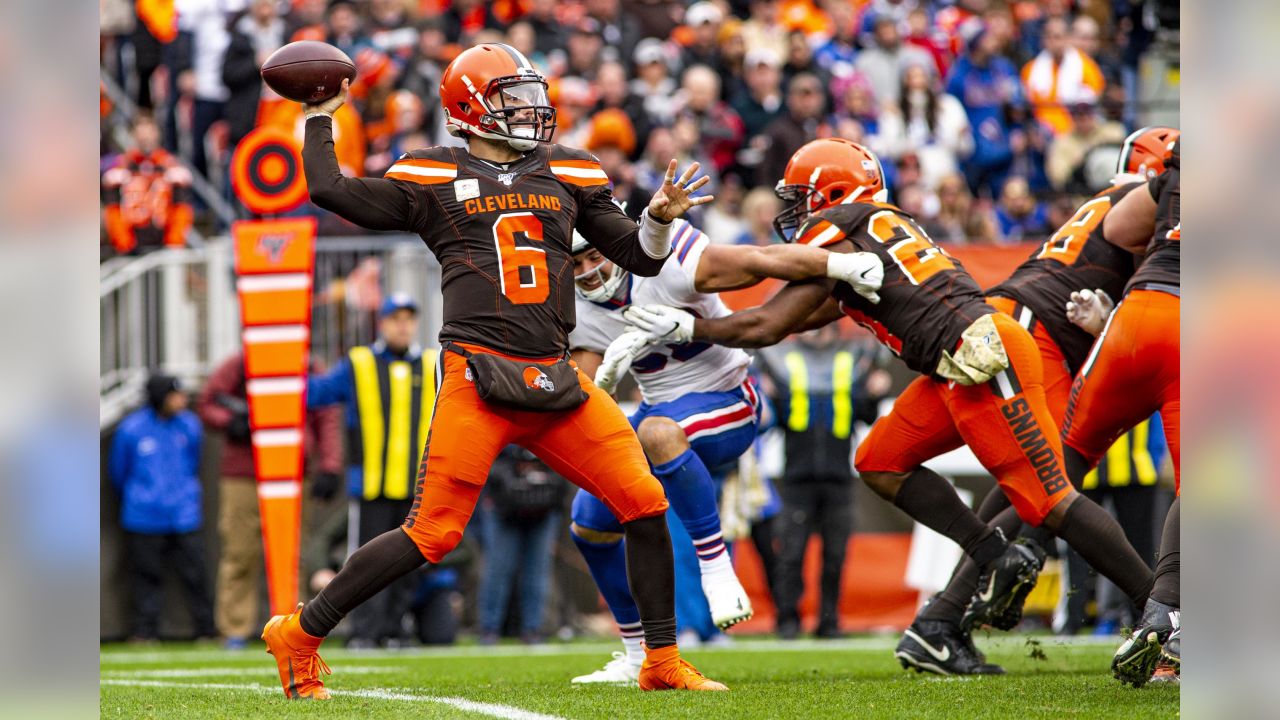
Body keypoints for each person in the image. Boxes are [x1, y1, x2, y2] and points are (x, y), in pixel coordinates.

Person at [261, 43, 727, 698]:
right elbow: (330, 189)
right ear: (469, 108)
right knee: (433, 533)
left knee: (645, 502)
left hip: (555, 378)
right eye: (512, 97)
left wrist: (655, 219)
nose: (531, 109)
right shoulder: (431, 173)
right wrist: (319, 115)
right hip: (478, 375)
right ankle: (301, 633)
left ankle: (661, 660)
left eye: (530, 94)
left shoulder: (569, 169)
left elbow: (639, 260)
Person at [623, 138, 1158, 674]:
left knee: (1051, 500)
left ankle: (1159, 611)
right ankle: (995, 554)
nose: (797, 210)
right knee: (881, 460)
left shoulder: (844, 221)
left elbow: (768, 323)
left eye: (804, 196)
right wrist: (709, 329)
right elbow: (801, 315)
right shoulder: (877, 225)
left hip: (981, 351)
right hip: (956, 361)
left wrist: (694, 326)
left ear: (832, 192)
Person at [891, 126, 1179, 674]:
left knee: (1034, 483)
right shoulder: (1144, 204)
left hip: (1014, 319)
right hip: (1035, 332)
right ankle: (1157, 614)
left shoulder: (1111, 200)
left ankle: (942, 620)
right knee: (1049, 485)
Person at [566, 218, 846, 683]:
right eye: (575, 263)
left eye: (595, 256)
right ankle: (638, 653)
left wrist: (843, 263)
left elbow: (762, 260)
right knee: (588, 522)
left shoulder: (668, 259)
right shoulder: (576, 306)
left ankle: (717, 568)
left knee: (657, 432)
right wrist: (606, 382)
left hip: (729, 396)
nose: (589, 271)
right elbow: (586, 397)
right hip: (662, 411)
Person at [1058, 138, 1182, 687]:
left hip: (1137, 310)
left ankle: (954, 605)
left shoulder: (1182, 166)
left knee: (1053, 465)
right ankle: (1168, 616)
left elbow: (1119, 229)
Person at [305, 293, 439, 648]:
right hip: (370, 484)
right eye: (396, 318)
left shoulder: (431, 364)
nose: (403, 325)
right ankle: (364, 631)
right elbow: (314, 395)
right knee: (363, 563)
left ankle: (396, 629)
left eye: (409, 318)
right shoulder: (358, 362)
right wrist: (293, 364)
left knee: (408, 565)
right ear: (382, 323)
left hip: (416, 486)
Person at [197, 352, 342, 650]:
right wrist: (232, 421)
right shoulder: (240, 363)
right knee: (240, 550)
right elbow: (208, 403)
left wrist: (330, 465)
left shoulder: (309, 365)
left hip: (292, 471)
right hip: (244, 473)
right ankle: (235, 629)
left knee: (293, 553)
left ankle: (292, 625)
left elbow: (327, 416)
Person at [758, 326, 889, 639]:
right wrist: (766, 395)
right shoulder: (786, 363)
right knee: (790, 554)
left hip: (838, 478)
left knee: (835, 556)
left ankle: (829, 622)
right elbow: (772, 418)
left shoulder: (848, 362)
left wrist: (874, 393)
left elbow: (865, 415)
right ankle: (787, 621)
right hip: (797, 478)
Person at [108, 373, 215, 642]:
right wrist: (143, 496)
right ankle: (145, 631)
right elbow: (118, 471)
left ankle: (206, 629)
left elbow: (194, 461)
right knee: (146, 576)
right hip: (143, 515)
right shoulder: (131, 429)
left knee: (195, 574)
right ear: (160, 398)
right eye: (175, 394)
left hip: (183, 513)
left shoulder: (189, 425)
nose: (182, 399)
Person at [476, 446, 569, 644]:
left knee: (537, 571)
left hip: (544, 503)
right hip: (504, 504)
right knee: (499, 569)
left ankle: (532, 629)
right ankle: (489, 629)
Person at [101, 114, 192, 256]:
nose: (146, 139)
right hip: (132, 243)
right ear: (133, 135)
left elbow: (181, 208)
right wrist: (124, 242)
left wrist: (174, 241)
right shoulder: (121, 167)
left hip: (164, 240)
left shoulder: (170, 166)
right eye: (141, 135)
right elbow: (113, 209)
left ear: (157, 134)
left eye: (149, 134)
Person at [1021, 16, 1106, 136]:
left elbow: (1095, 100)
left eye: (1058, 37)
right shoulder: (1030, 70)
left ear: (1068, 38)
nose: (1053, 42)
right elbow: (1028, 107)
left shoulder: (1085, 66)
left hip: (1076, 132)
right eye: (1048, 37)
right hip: (1042, 132)